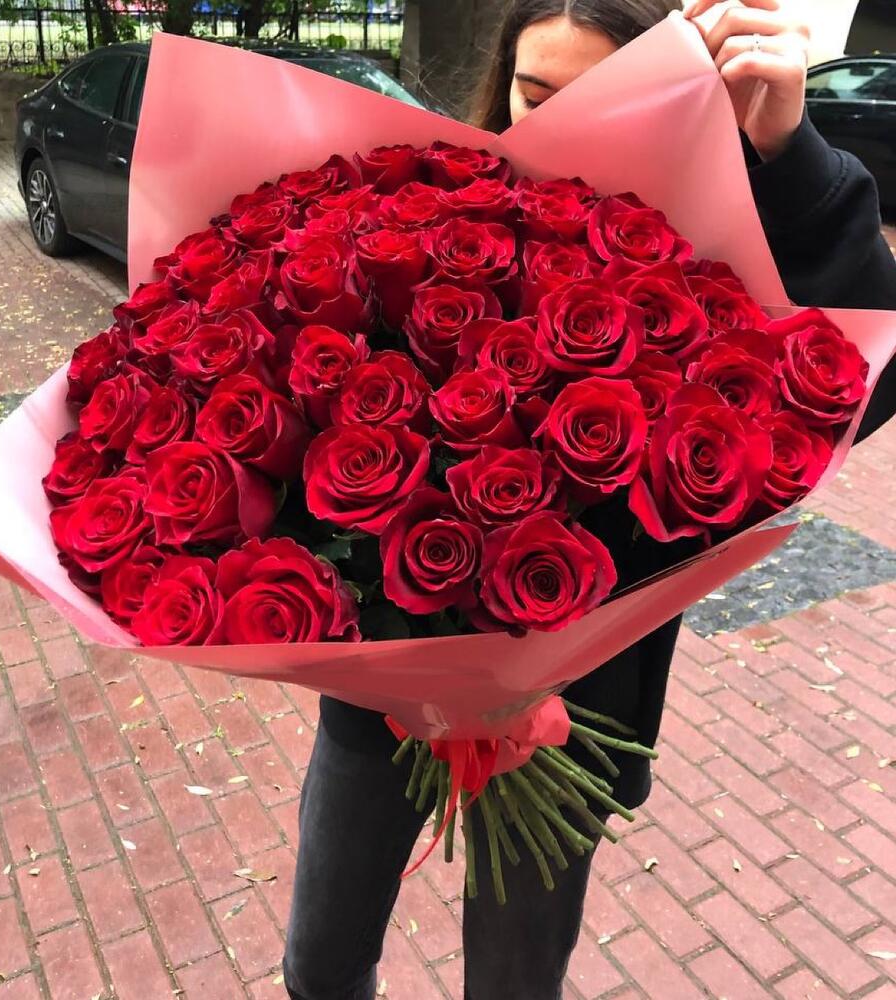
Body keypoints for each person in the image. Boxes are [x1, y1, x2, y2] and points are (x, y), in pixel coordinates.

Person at [283, 3, 896, 999]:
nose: (562, 125)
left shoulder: (697, 249)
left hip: (572, 715)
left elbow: (861, 372)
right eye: (537, 96)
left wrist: (789, 156)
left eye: (604, 101)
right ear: (502, 92)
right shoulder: (429, 208)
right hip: (382, 706)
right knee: (318, 963)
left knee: (515, 983)